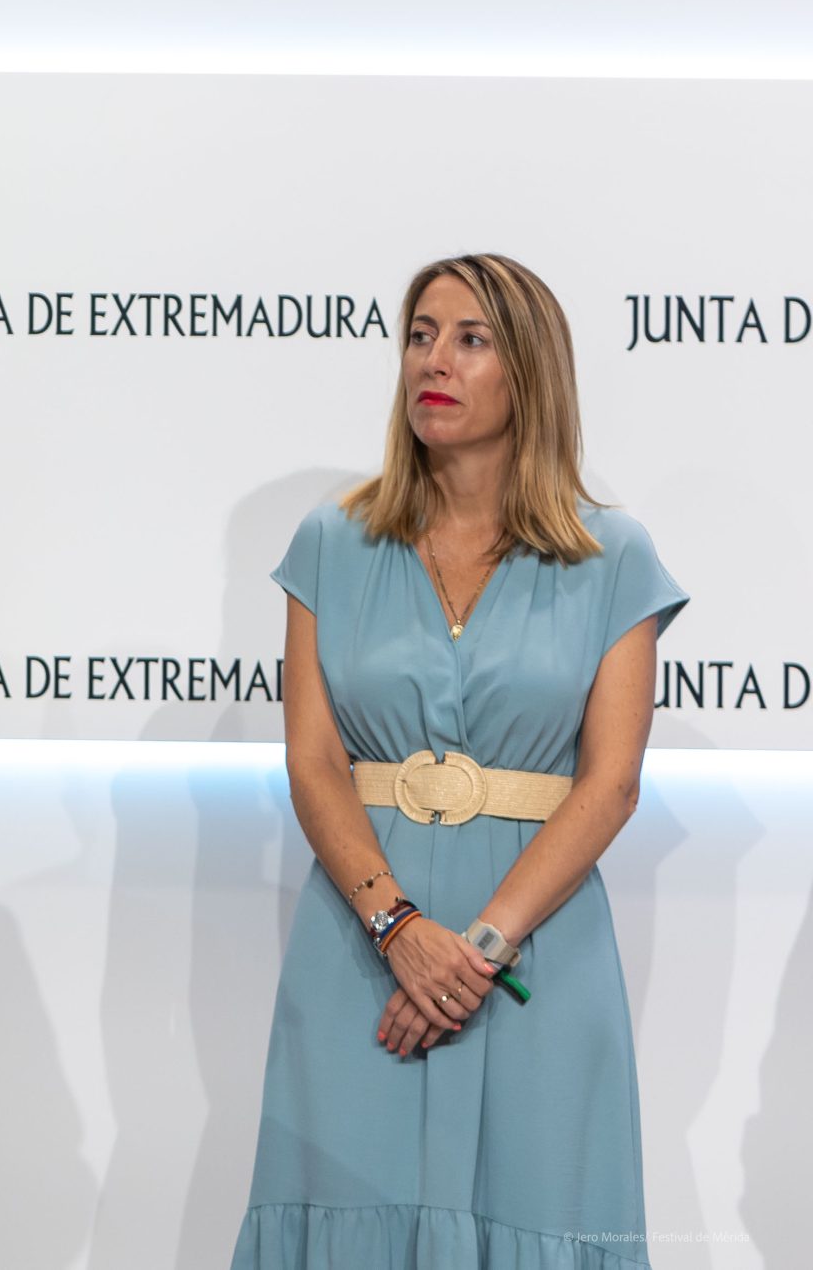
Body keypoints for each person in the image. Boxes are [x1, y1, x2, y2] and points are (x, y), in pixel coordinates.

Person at [232, 253, 684, 1267]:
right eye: (420, 335)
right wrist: (395, 927)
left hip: (538, 957)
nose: (433, 360)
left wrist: (475, 951)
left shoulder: (614, 560)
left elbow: (608, 784)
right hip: (357, 943)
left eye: (470, 339)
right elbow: (312, 763)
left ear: (528, 372)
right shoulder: (329, 542)